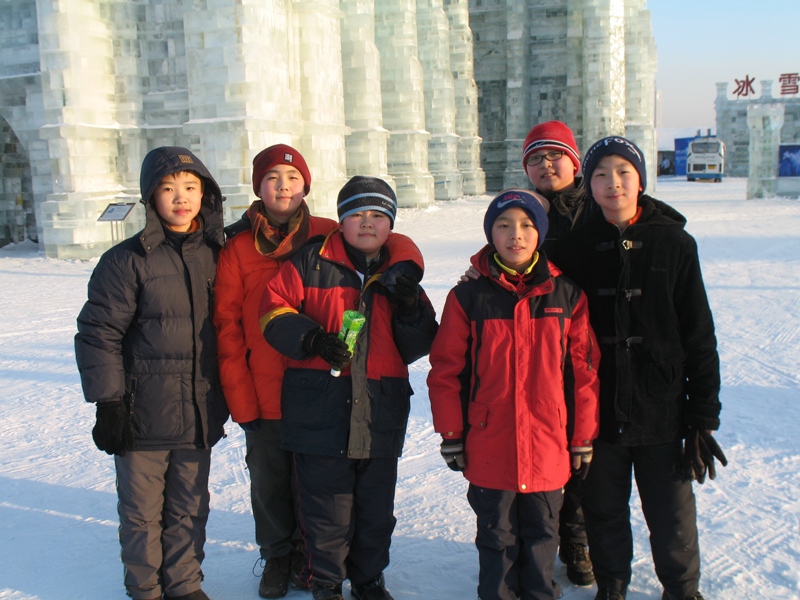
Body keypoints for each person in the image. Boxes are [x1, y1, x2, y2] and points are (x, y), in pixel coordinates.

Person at [552, 136, 727, 600]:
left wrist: (702, 417)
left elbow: (699, 334)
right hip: (599, 411)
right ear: (588, 185)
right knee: (604, 509)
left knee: (670, 512)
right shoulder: (573, 250)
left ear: (640, 179)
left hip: (662, 408)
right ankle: (612, 586)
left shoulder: (675, 244)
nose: (613, 184)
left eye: (623, 172)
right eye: (601, 175)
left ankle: (682, 589)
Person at [258, 176, 438, 600]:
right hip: (319, 409)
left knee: (376, 510)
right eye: (357, 214)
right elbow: (272, 310)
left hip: (380, 410)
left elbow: (419, 345)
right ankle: (326, 582)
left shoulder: (401, 273)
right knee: (325, 511)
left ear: (391, 223)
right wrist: (313, 340)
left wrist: (410, 307)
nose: (367, 223)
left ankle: (368, 579)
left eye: (378, 215)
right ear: (341, 221)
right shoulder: (311, 261)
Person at [427, 189, 601, 600]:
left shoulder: (567, 295)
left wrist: (581, 438)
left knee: (543, 533)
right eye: (503, 225)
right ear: (491, 234)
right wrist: (451, 433)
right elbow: (446, 369)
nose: (515, 235)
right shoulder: (468, 297)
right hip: (491, 442)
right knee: (496, 534)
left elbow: (583, 373)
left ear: (539, 234)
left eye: (526, 225)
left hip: (547, 442)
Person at [75, 147, 228, 600]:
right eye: (167, 188)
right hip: (144, 412)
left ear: (206, 194)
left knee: (188, 507)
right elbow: (98, 332)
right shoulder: (126, 260)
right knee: (142, 511)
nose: (180, 198)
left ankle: (184, 586)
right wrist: (109, 403)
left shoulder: (218, 256)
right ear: (150, 197)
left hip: (200, 410)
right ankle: (144, 590)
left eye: (190, 187)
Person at [214, 144, 325, 598]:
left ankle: (316, 555)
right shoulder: (238, 247)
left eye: (292, 177)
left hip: (318, 385)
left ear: (306, 186)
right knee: (270, 481)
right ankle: (279, 554)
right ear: (258, 186)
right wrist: (240, 400)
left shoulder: (327, 233)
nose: (283, 186)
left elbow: (378, 235)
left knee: (317, 481)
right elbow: (227, 325)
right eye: (272, 177)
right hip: (263, 391)